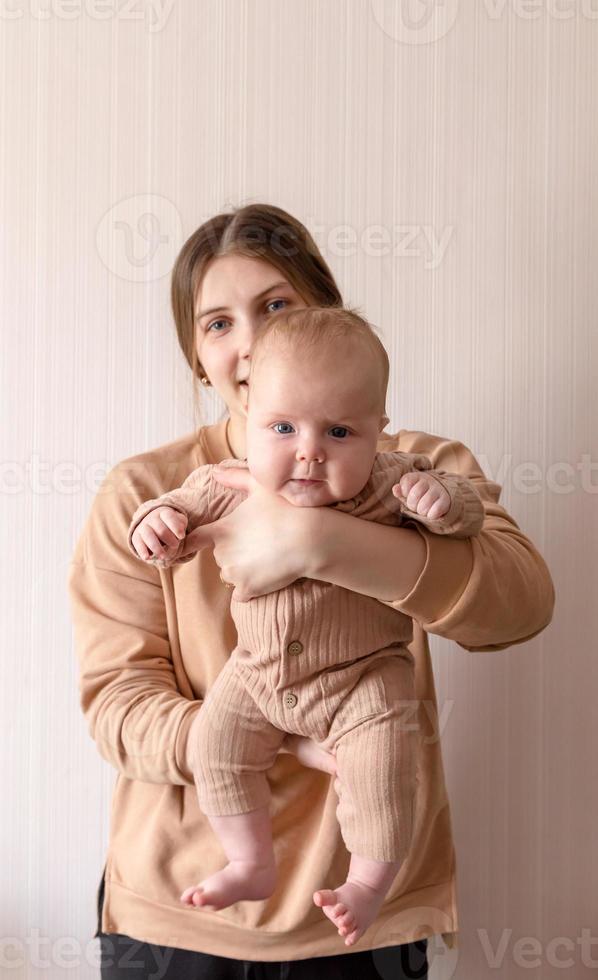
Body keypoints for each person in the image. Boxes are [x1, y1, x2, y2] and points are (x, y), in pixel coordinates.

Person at [68, 203, 555, 979]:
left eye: (275, 306)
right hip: (180, 916)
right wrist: (271, 743)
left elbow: (521, 605)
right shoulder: (153, 493)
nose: (252, 339)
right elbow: (117, 704)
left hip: (364, 922)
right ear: (199, 358)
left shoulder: (414, 468)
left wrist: (324, 543)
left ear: (325, 313)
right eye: (217, 323)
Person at [126, 306, 485, 949]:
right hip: (257, 670)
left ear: (380, 431)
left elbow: (464, 509)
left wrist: (443, 505)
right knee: (216, 746)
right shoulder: (224, 481)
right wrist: (157, 524)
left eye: (340, 431)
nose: (310, 451)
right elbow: (172, 510)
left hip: (363, 675)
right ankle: (249, 861)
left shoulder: (393, 483)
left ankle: (369, 883)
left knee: (381, 767)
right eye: (283, 427)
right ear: (249, 420)